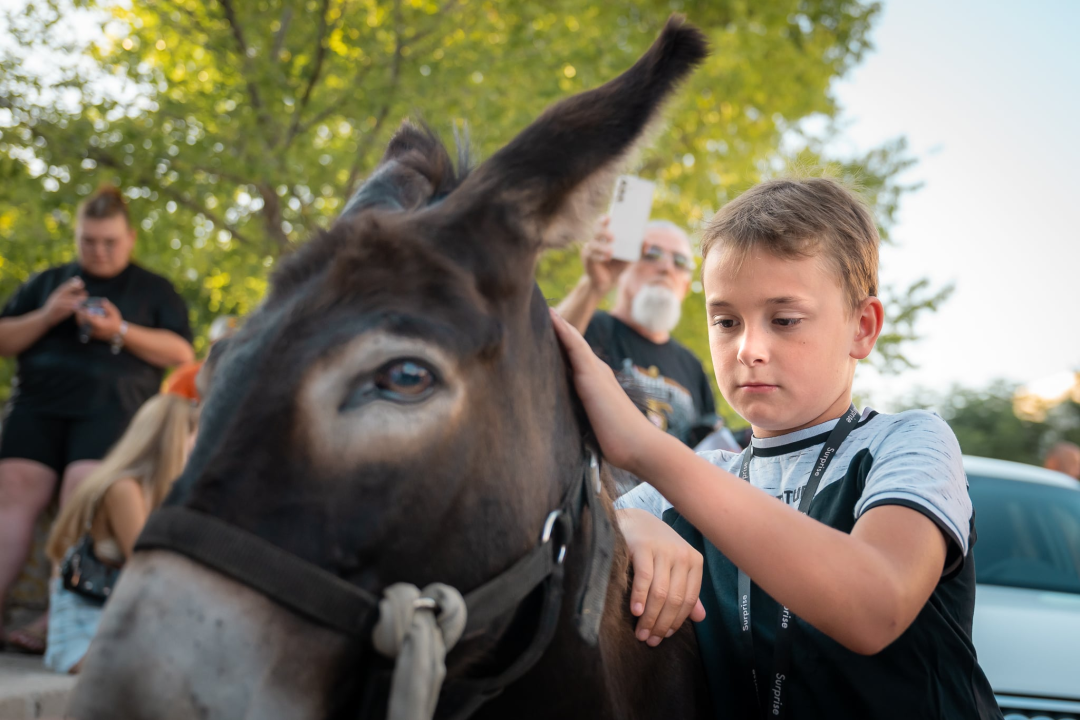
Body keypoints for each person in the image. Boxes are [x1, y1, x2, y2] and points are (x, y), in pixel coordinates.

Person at [550, 177, 1000, 718]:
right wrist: (624, 525)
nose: (749, 349)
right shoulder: (687, 485)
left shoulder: (909, 441)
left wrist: (646, 448)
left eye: (785, 320)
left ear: (862, 327)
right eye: (726, 321)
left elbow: (876, 606)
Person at [0, 185, 194, 652]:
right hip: (38, 406)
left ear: (130, 238)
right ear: (76, 236)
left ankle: (58, 616)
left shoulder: (154, 290)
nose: (99, 250)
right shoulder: (48, 283)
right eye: (89, 241)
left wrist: (119, 330)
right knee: (12, 488)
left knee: (83, 490)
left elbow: (181, 353)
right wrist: (48, 315)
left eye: (109, 242)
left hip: (112, 410)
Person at [43, 393, 198, 673]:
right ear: (175, 439)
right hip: (85, 635)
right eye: (196, 437)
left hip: (112, 625)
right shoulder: (124, 489)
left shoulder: (151, 491)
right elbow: (146, 563)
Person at [556, 217, 717, 447]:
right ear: (622, 268)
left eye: (680, 261)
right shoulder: (589, 326)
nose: (666, 268)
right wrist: (593, 285)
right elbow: (538, 356)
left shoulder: (692, 367)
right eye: (651, 254)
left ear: (685, 286)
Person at [161, 315, 240, 401]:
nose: (229, 349)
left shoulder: (241, 380)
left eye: (236, 344)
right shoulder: (186, 377)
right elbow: (168, 407)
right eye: (224, 343)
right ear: (212, 343)